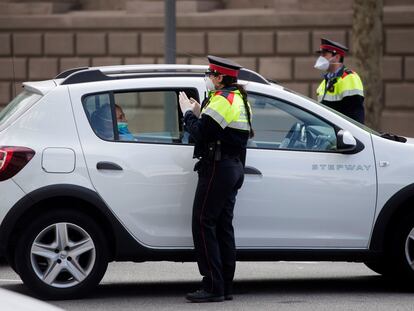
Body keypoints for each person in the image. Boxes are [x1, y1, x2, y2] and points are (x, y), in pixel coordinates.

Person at [179, 55, 253, 303]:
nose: (208, 79)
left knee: (202, 223)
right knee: (222, 226)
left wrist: (188, 114)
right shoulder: (239, 98)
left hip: (218, 168)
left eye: (210, 75)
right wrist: (201, 113)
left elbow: (201, 133)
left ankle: (212, 285)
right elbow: (223, 132)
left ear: (220, 78)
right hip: (232, 167)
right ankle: (225, 285)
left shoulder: (222, 100)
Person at [315, 38, 365, 124]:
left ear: (337, 57)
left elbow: (356, 115)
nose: (321, 58)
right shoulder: (324, 83)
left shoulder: (349, 78)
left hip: (344, 135)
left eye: (324, 54)